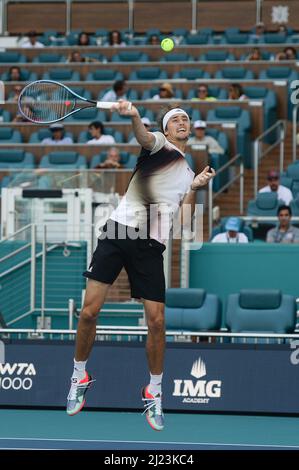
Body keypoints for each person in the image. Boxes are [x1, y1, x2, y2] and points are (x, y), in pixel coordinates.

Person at [66, 103, 215, 431]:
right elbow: (142, 135)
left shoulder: (188, 173)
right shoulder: (159, 146)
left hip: (151, 246)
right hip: (118, 233)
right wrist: (133, 115)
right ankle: (79, 376)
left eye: (185, 118)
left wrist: (193, 189)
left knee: (157, 322)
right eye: (175, 119)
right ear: (166, 129)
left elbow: (185, 224)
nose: (182, 122)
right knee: (89, 312)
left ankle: (154, 392)